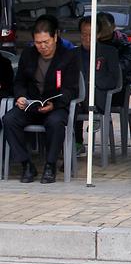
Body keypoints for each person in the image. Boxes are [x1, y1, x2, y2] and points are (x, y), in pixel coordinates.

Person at [3, 15, 80, 184]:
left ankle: (50, 166)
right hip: (32, 104)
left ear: (55, 37)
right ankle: (26, 164)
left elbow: (71, 89)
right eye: (38, 43)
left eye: (46, 42)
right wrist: (21, 97)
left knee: (55, 123)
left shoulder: (68, 56)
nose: (43, 46)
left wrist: (55, 104)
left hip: (56, 105)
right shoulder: (28, 55)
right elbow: (20, 82)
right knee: (9, 120)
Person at [74, 16, 121, 151]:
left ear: (99, 34)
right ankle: (77, 143)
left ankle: (94, 114)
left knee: (87, 89)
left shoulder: (109, 52)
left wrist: (92, 82)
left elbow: (113, 79)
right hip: (78, 99)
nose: (87, 38)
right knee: (71, 104)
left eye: (91, 34)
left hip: (99, 97)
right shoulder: (72, 53)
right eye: (84, 34)